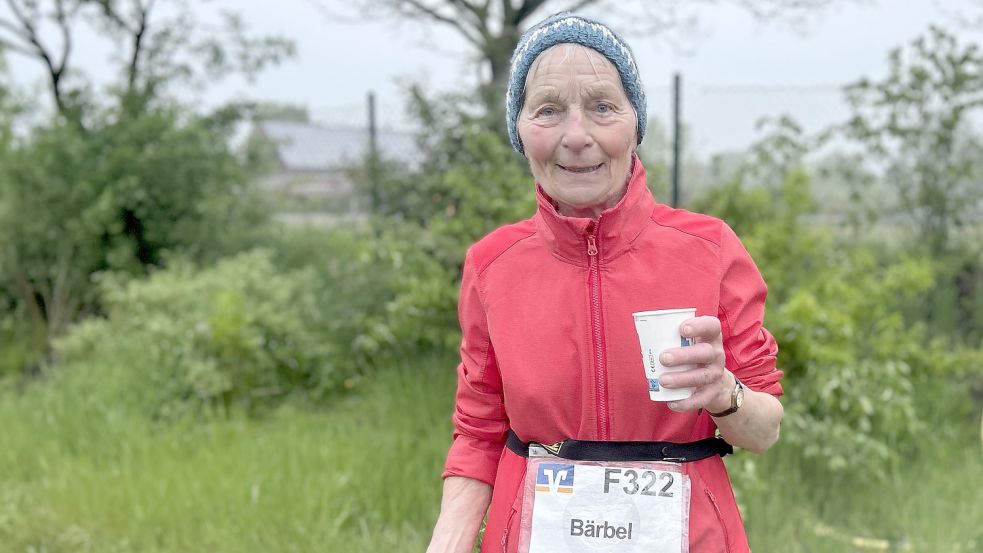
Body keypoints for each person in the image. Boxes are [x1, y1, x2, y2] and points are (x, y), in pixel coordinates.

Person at [426, 12, 784, 553]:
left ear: (634, 123)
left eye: (601, 107)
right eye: (548, 110)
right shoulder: (492, 265)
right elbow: (478, 434)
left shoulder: (710, 252)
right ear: (519, 131)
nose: (577, 137)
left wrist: (724, 394)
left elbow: (765, 431)